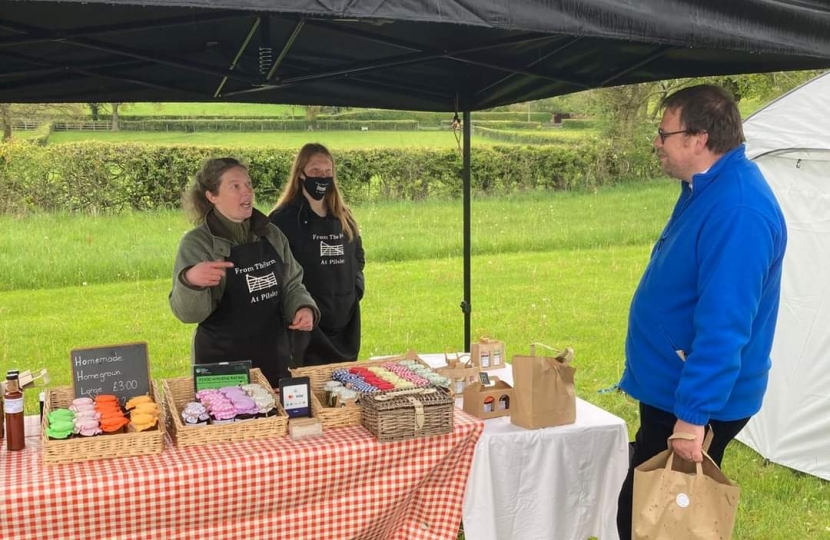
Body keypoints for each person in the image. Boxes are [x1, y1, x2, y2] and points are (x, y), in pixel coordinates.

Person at [616, 85, 787, 539]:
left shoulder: (738, 209)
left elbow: (725, 326)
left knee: (652, 520)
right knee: (650, 514)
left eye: (663, 133)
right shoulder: (704, 188)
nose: (657, 142)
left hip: (693, 403)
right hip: (675, 391)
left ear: (698, 138)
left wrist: (692, 418)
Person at [169, 157, 320, 386]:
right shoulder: (197, 243)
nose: (246, 192)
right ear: (212, 196)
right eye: (235, 186)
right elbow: (190, 314)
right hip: (222, 365)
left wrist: (302, 306)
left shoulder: (271, 234)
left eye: (248, 184)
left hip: (272, 356)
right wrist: (191, 281)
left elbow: (291, 283)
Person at [269, 143, 365, 366]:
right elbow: (275, 269)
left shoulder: (343, 216)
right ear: (300, 173)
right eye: (315, 171)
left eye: (327, 172)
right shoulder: (282, 219)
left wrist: (355, 291)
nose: (322, 177)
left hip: (345, 324)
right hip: (305, 326)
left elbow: (358, 258)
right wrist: (297, 307)